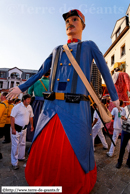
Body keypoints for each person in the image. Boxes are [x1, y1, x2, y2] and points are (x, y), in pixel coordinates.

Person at [7, 9, 119, 193]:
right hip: (51, 109)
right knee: (46, 148)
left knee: (75, 148)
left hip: (76, 108)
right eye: (67, 20)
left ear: (82, 24)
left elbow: (105, 70)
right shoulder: (56, 49)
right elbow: (40, 71)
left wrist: (115, 99)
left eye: (75, 19)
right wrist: (22, 87)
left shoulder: (89, 46)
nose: (70, 23)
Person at [10, 94, 34, 170]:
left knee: (23, 143)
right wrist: (13, 128)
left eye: (30, 99)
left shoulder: (29, 107)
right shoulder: (17, 107)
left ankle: (21, 157)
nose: (29, 101)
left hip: (24, 129)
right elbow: (12, 117)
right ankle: (14, 162)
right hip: (16, 128)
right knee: (15, 145)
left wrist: (32, 125)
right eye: (28, 99)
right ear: (24, 99)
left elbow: (31, 116)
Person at [27, 71, 49, 142]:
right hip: (47, 104)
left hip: (36, 104)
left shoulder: (36, 81)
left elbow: (29, 92)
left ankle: (32, 138)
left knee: (34, 120)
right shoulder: (52, 82)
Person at [116, 101, 130, 169]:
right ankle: (119, 162)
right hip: (126, 130)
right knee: (122, 147)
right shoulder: (126, 108)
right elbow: (121, 116)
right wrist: (124, 118)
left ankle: (129, 162)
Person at [0, 92, 9, 159]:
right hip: (3, 124)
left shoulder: (2, 104)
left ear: (3, 96)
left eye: (1, 95)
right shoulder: (7, 103)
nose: (0, 96)